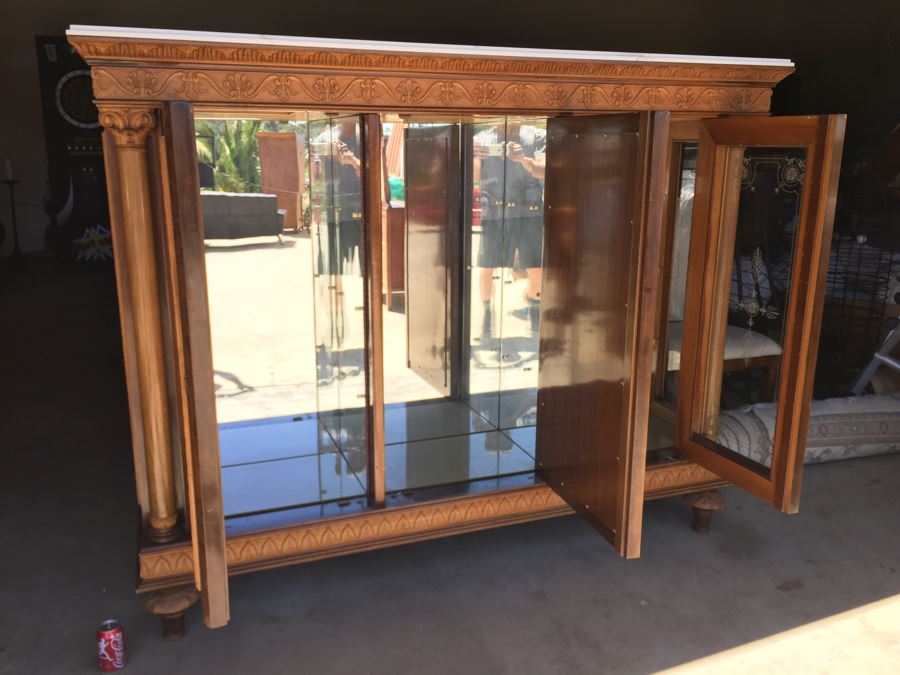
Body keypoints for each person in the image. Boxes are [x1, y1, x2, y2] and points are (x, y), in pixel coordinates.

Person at [474, 122, 546, 342]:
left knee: (536, 269)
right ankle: (487, 316)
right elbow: (472, 177)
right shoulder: (481, 138)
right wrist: (475, 157)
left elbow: (546, 170)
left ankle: (534, 312)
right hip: (495, 212)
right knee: (487, 268)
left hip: (529, 211)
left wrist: (524, 160)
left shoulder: (537, 136)